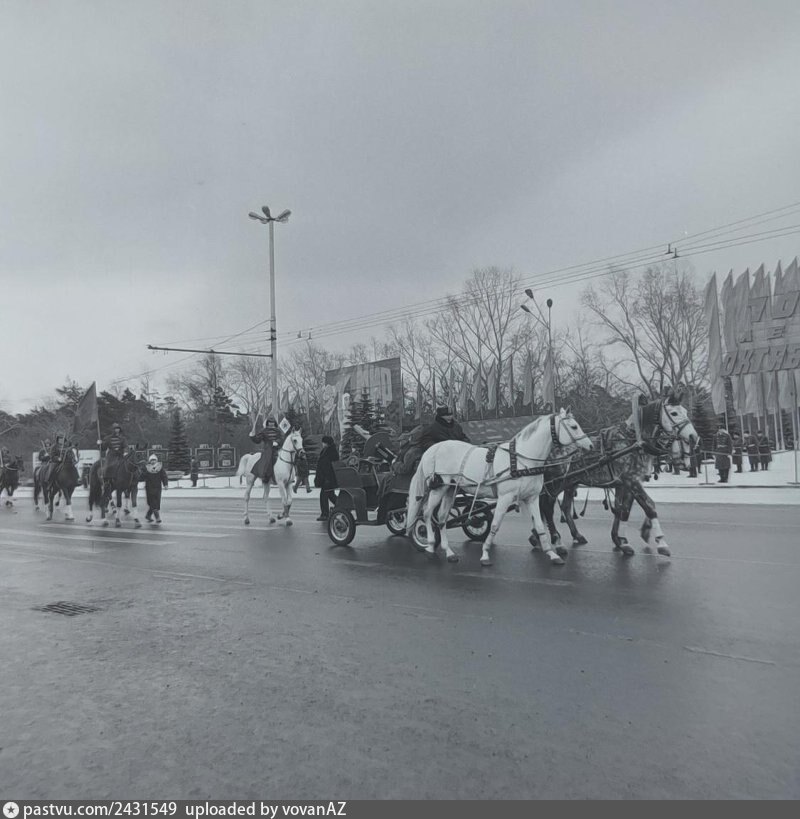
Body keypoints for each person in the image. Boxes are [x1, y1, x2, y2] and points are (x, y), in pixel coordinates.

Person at [397, 406, 471, 475]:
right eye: (446, 415)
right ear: (440, 416)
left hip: (454, 452)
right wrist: (439, 447)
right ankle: (395, 464)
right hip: (436, 453)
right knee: (408, 467)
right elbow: (425, 441)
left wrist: (464, 444)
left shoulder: (456, 426)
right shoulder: (432, 427)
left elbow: (463, 437)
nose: (449, 417)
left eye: (450, 415)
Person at [249, 416, 282, 485]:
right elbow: (258, 440)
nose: (271, 424)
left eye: (272, 422)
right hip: (267, 449)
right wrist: (252, 437)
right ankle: (266, 476)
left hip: (277, 448)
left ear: (275, 423)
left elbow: (281, 438)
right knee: (267, 461)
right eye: (270, 422)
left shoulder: (278, 431)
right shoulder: (264, 431)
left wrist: (277, 442)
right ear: (267, 423)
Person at [314, 435, 339, 520]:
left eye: (323, 442)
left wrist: (326, 478)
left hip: (328, 479)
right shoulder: (327, 450)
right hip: (326, 478)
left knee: (323, 496)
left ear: (327, 443)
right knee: (331, 495)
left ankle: (325, 514)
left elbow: (328, 466)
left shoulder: (330, 452)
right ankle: (342, 506)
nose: (322, 444)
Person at [140, 453, 169, 523]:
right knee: (152, 503)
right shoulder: (147, 468)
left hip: (158, 488)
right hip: (149, 488)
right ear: (150, 461)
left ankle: (148, 515)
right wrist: (142, 472)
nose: (153, 461)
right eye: (151, 460)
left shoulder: (160, 468)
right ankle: (157, 517)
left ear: (156, 461)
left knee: (156, 503)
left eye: (154, 460)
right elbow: (142, 477)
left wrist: (165, 484)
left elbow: (164, 476)